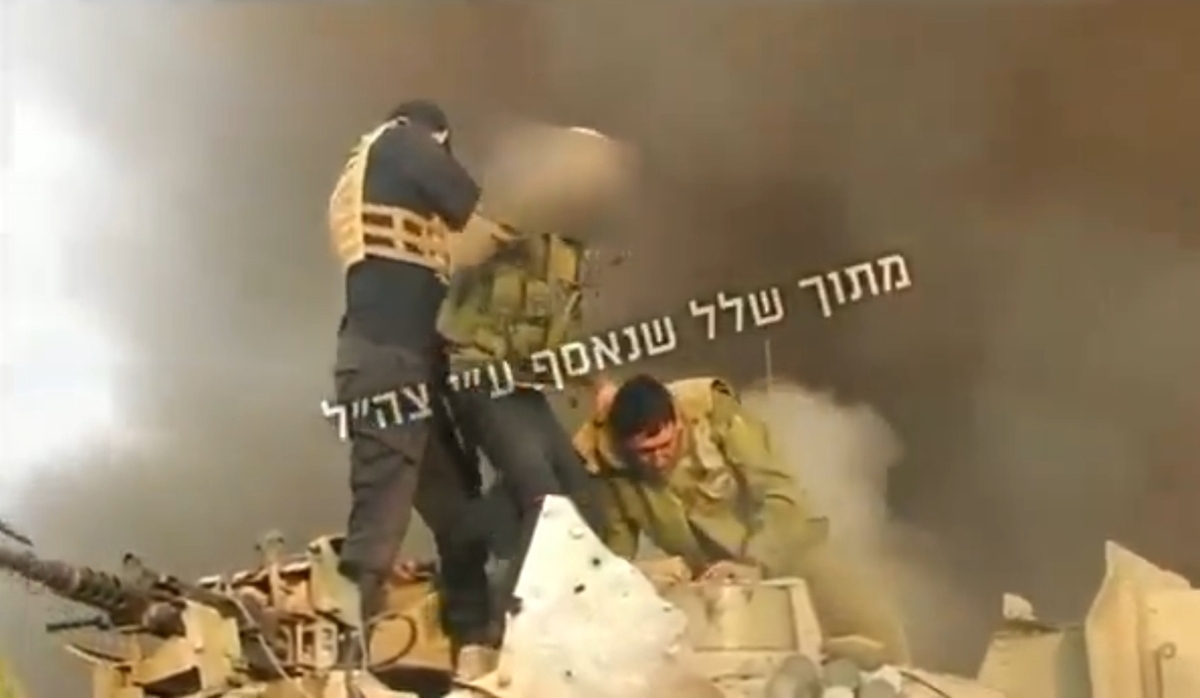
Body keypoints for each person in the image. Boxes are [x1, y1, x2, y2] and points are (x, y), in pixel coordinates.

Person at [325, 99, 504, 671]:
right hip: (388, 363)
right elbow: (470, 201)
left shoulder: (370, 171)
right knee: (379, 519)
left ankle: (475, 644)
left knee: (458, 510)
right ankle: (345, 664)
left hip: (403, 363)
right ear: (439, 136)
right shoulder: (402, 141)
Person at [573, 373, 912, 664]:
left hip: (787, 548)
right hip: (712, 584)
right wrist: (645, 575)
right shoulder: (612, 468)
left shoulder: (714, 417)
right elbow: (615, 552)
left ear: (677, 420)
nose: (658, 460)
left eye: (665, 445)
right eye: (644, 453)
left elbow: (780, 494)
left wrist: (755, 562)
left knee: (878, 639)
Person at [436, 124, 635, 568]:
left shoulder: (566, 254)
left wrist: (598, 383)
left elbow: (563, 337)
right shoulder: (496, 227)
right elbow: (451, 252)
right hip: (478, 379)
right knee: (544, 501)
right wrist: (504, 217)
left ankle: (472, 538)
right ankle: (511, 601)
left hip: (522, 388)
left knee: (584, 502)